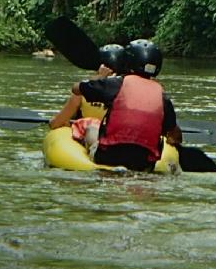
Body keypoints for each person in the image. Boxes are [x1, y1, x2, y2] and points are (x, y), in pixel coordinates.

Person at [49, 38, 182, 170]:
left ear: (127, 62)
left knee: (91, 128)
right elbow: (175, 136)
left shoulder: (116, 84)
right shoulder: (162, 96)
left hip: (109, 156)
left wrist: (98, 78)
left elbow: (76, 88)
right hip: (143, 162)